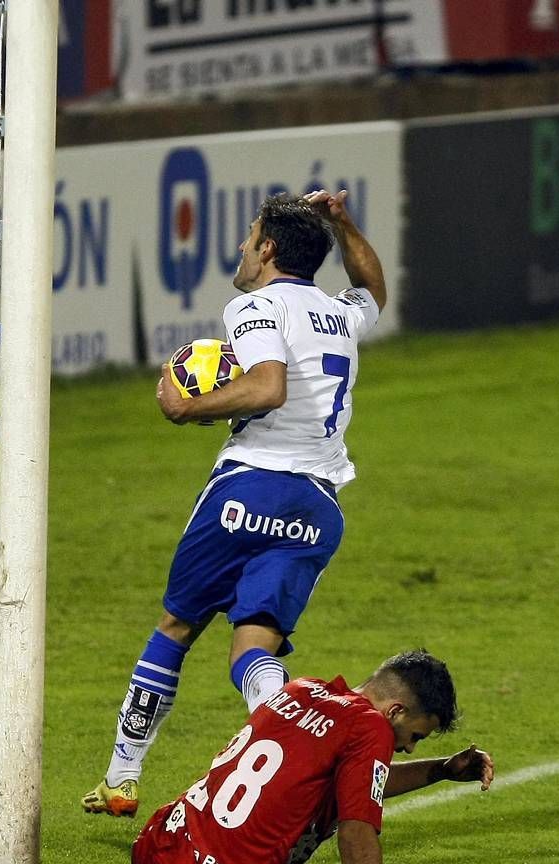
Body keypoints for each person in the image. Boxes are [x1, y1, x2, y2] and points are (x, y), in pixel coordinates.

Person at [82, 189, 386, 817]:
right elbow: (374, 288)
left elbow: (267, 387)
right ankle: (299, 764)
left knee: (177, 625)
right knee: (255, 647)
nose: (242, 249)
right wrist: (345, 224)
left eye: (249, 238)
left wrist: (185, 406)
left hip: (248, 489)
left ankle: (121, 777)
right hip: (317, 509)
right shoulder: (339, 312)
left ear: (269, 248)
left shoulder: (255, 306)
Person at [116, 649, 495, 864]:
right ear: (395, 711)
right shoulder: (372, 728)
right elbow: (356, 834)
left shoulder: (303, 689)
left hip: (155, 856)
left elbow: (357, 784)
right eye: (415, 736)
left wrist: (440, 771)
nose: (409, 749)